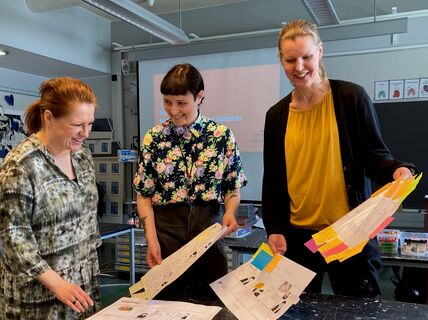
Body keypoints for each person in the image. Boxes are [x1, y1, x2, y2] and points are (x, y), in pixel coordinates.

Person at [262, 19, 418, 298]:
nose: (299, 67)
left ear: (320, 52)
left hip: (347, 236)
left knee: (358, 311)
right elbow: (272, 179)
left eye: (306, 57)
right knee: (296, 313)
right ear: (281, 60)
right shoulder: (276, 115)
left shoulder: (350, 97)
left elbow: (375, 155)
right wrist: (273, 227)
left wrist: (397, 169)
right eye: (290, 59)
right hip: (298, 240)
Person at [133, 63, 247, 299]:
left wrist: (231, 211)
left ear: (200, 97)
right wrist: (151, 240)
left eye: (181, 103)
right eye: (167, 102)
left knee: (212, 305)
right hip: (166, 237)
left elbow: (232, 187)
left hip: (208, 236)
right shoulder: (154, 138)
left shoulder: (222, 137)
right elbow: (144, 194)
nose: (173, 111)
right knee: (166, 308)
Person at [0, 77, 101, 319]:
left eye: (90, 124)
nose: (85, 133)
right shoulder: (21, 166)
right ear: (48, 118)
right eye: (77, 124)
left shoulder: (81, 155)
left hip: (83, 288)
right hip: (39, 300)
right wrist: (57, 284)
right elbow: (15, 241)